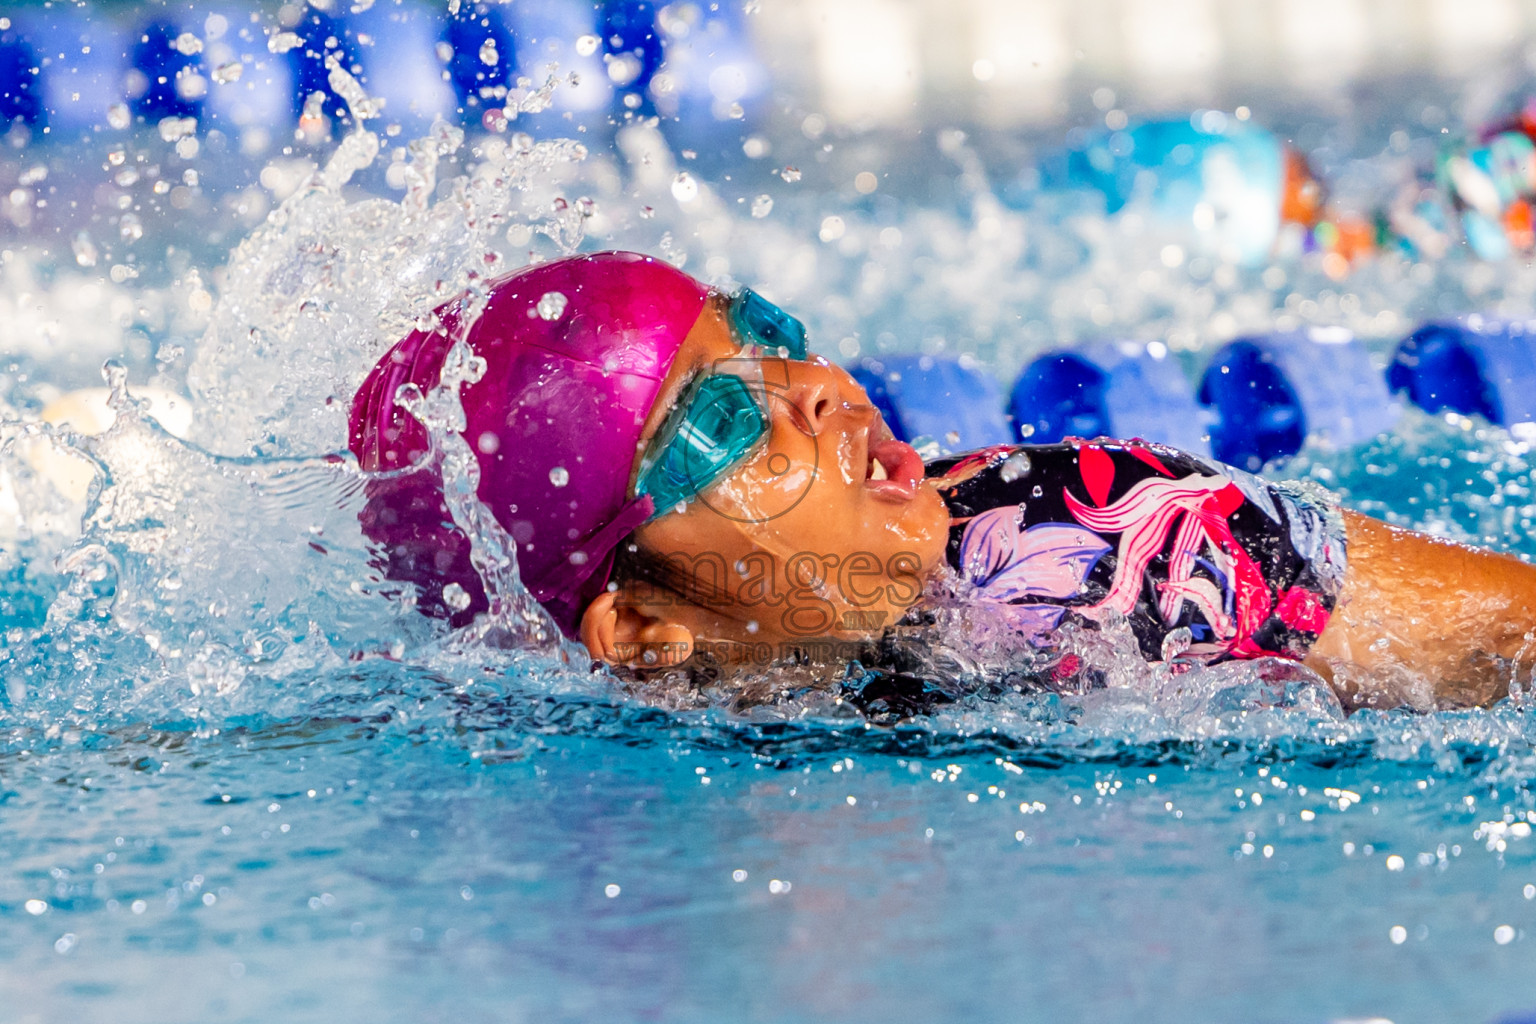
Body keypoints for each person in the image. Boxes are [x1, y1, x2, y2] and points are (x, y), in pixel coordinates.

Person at [349, 250, 1536, 711]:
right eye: (723, 417)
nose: (814, 387)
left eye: (769, 335)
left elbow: (1512, 631)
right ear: (638, 626)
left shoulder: (1113, 541)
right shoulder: (552, 750)